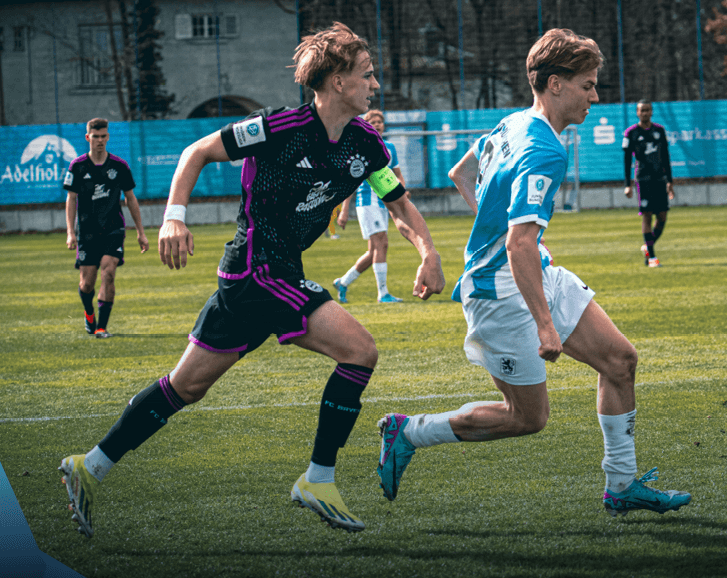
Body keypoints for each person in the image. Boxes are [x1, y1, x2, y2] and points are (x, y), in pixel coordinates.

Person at [58, 22, 445, 538]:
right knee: (360, 350)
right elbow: (196, 152)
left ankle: (90, 466)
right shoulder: (278, 127)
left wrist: (429, 252)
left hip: (268, 276)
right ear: (336, 82)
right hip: (255, 270)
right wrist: (174, 216)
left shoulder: (365, 146)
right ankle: (318, 479)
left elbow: (398, 202)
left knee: (185, 387)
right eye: (366, 75)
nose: (374, 85)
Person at [375, 28, 691, 518]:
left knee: (620, 362)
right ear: (556, 83)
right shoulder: (545, 148)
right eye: (587, 85)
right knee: (528, 418)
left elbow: (462, 174)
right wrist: (545, 323)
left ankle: (622, 486)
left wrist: (502, 230)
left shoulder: (511, 124)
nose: (595, 95)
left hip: (530, 272)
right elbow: (518, 242)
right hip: (500, 293)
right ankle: (411, 431)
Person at [65, 118, 149, 338]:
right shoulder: (77, 166)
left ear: (108, 137)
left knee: (109, 272)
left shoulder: (120, 166)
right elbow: (71, 199)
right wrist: (70, 232)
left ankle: (101, 327)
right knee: (86, 283)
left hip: (113, 229)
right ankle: (89, 313)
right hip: (87, 232)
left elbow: (131, 198)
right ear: (88, 138)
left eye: (103, 136)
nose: (100, 140)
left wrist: (140, 232)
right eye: (96, 136)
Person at [333, 109, 406, 303]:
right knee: (382, 243)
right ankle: (383, 294)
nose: (377, 124)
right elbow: (352, 182)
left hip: (384, 204)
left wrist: (402, 192)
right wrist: (344, 210)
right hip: (367, 201)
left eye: (380, 121)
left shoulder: (389, 147)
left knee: (374, 250)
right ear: (366, 125)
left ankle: (343, 282)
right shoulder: (361, 147)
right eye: (373, 121)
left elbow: (398, 176)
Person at [622, 100, 673, 268]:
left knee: (662, 216)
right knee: (647, 215)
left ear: (651, 112)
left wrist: (670, 181)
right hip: (643, 179)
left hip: (660, 178)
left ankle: (647, 246)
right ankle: (652, 257)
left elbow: (665, 156)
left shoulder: (659, 131)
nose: (645, 113)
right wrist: (628, 184)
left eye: (647, 110)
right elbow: (627, 159)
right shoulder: (631, 133)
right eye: (642, 110)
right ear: (637, 113)